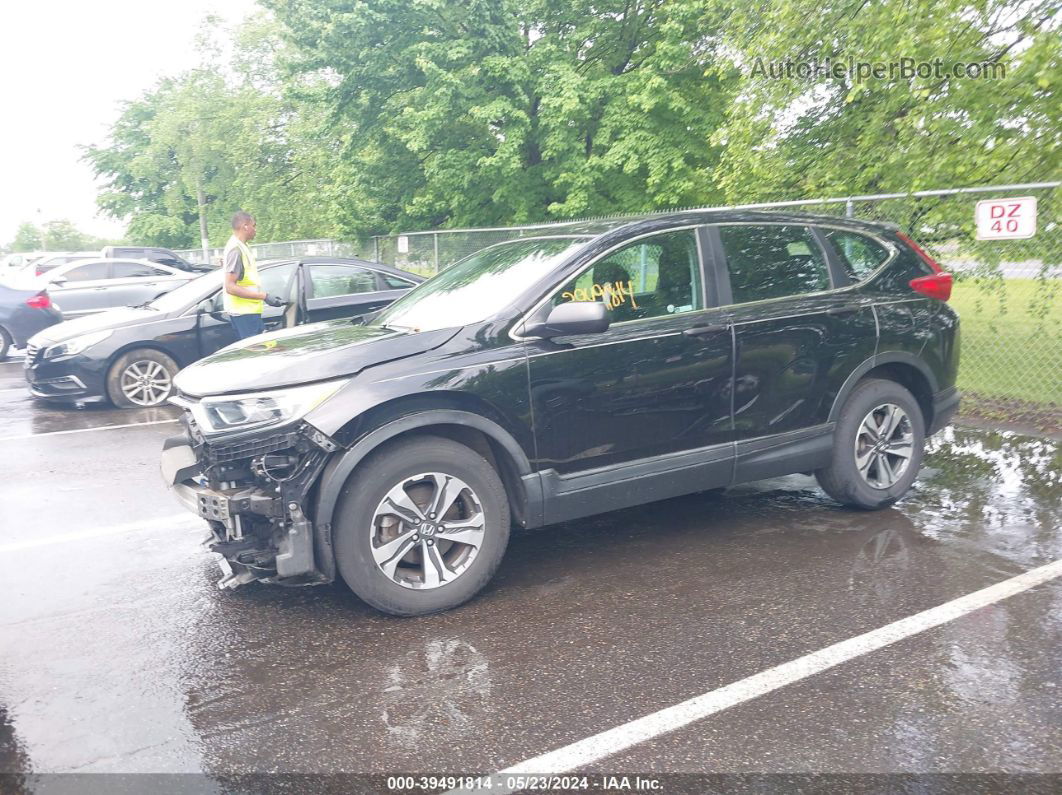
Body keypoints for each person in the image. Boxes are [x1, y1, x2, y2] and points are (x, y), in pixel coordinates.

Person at [223, 210, 285, 339]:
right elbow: (230, 287)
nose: (255, 229)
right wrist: (264, 296)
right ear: (245, 226)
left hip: (248, 313)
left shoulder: (241, 246)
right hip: (244, 314)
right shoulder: (236, 250)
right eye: (254, 225)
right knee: (257, 353)